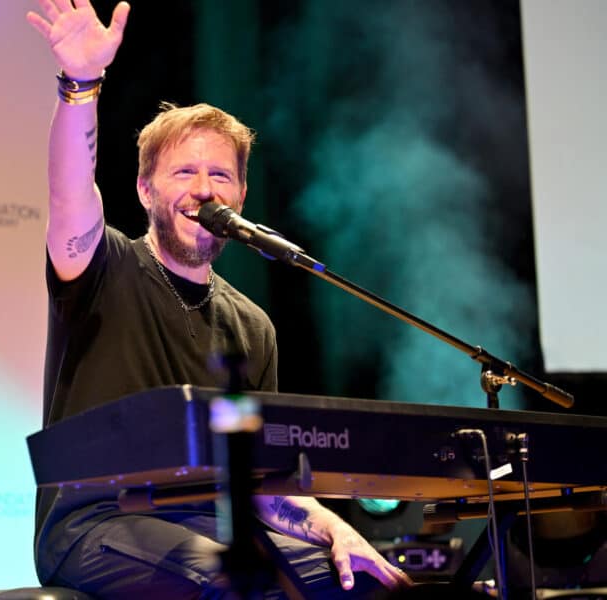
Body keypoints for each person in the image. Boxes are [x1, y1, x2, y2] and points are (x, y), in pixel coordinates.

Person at [26, 1, 414, 597]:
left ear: (241, 193)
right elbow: (69, 193)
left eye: (220, 176)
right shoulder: (104, 266)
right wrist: (81, 84)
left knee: (364, 583)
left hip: (216, 527)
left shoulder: (252, 327)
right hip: (97, 523)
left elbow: (258, 482)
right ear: (144, 187)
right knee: (233, 583)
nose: (203, 189)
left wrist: (335, 528)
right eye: (183, 174)